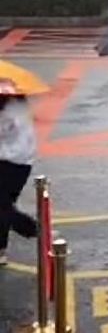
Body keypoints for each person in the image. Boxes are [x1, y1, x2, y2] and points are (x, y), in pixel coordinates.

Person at [0, 94, 38, 266]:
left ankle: (31, 229)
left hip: (9, 162)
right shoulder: (19, 102)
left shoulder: (6, 111)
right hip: (23, 161)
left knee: (3, 206)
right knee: (5, 205)